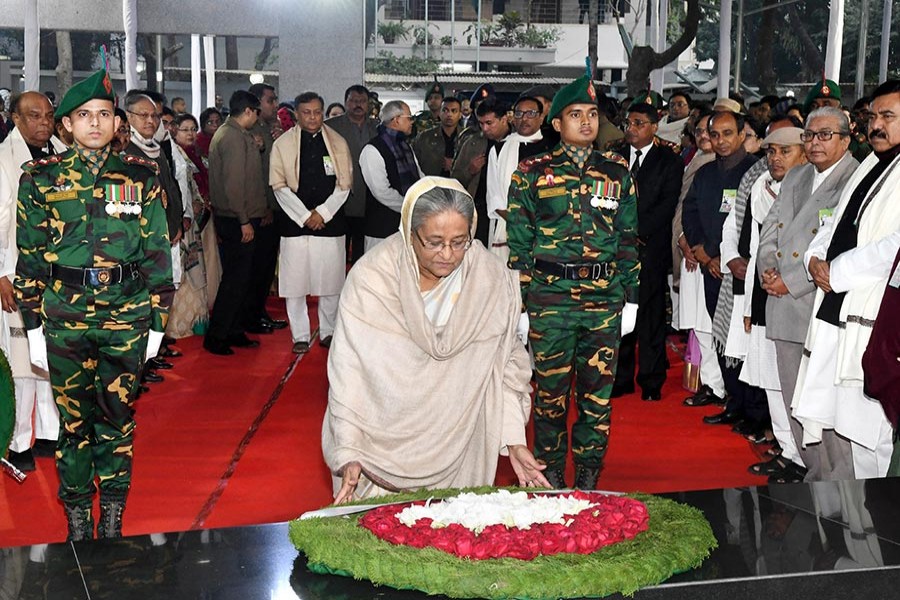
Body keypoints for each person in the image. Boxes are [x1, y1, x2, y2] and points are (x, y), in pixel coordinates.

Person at [14, 69, 174, 540]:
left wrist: (158, 326)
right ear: (65, 125)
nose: (95, 123)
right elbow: (30, 256)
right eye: (83, 115)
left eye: (104, 114)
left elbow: (157, 255)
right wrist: (34, 328)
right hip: (64, 317)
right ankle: (78, 514)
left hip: (126, 318)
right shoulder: (40, 179)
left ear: (116, 123)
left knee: (118, 419)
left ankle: (113, 513)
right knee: (73, 423)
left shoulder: (141, 177)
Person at [323, 177, 550, 503]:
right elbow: (348, 373)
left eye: (460, 242)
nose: (447, 254)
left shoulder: (489, 279)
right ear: (408, 233)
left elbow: (505, 369)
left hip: (461, 450)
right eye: (434, 242)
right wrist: (349, 449)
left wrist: (514, 440)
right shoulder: (373, 280)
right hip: (379, 452)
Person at [506, 71, 639, 490]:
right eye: (575, 114)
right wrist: (523, 304)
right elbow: (519, 245)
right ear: (556, 124)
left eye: (593, 114)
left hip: (603, 301)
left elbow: (628, 238)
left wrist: (631, 299)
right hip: (550, 300)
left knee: (596, 398)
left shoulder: (617, 173)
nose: (586, 122)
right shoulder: (531, 173)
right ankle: (547, 473)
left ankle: (587, 473)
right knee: (550, 397)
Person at [793, 79, 900, 480]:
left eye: (887, 116)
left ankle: (880, 530)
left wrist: (835, 271)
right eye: (873, 116)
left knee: (873, 430)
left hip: (876, 314)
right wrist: (815, 257)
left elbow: (895, 247)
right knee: (851, 429)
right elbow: (835, 222)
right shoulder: (870, 163)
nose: (876, 125)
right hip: (839, 303)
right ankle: (859, 530)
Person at [757, 107, 859, 482]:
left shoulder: (855, 178)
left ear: (846, 139)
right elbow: (770, 228)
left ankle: (839, 490)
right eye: (810, 136)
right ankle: (812, 480)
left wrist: (791, 280)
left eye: (824, 135)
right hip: (782, 304)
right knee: (793, 403)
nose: (814, 143)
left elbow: (843, 245)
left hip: (818, 306)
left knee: (824, 412)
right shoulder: (796, 175)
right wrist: (769, 270)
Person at [0, 92, 68, 473]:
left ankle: (47, 432)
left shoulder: (59, 152)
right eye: (33, 115)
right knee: (21, 361)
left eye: (48, 115)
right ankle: (17, 441)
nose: (43, 122)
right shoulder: (3, 159)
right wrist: (2, 274)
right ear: (14, 118)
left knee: (49, 358)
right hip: (17, 272)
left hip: (57, 275)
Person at [681, 108, 759, 426]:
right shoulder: (705, 173)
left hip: (740, 272)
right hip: (710, 269)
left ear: (742, 135)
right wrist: (702, 252)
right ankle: (732, 401)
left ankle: (750, 410)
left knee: (743, 341)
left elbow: (748, 225)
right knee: (720, 336)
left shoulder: (756, 172)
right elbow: (691, 211)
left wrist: (719, 255)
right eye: (715, 134)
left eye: (728, 133)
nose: (721, 140)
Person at [610, 102, 683, 401]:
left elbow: (667, 205)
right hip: (615, 248)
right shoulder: (613, 157)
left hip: (650, 248)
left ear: (655, 126)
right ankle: (621, 378)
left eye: (639, 123)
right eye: (629, 123)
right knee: (619, 314)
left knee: (651, 315)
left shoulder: (669, 160)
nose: (632, 129)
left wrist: (637, 233)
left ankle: (651, 380)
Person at [270, 92, 351, 354]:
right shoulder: (282, 144)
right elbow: (279, 186)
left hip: (330, 223)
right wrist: (305, 216)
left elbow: (344, 185)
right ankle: (300, 335)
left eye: (317, 111)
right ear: (296, 114)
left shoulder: (337, 142)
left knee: (330, 282)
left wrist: (323, 214)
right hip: (294, 224)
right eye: (307, 112)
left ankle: (328, 331)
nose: (313, 117)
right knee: (295, 283)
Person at [204, 90, 268, 355]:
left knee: (241, 280)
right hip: (235, 217)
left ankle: (234, 329)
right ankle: (217, 336)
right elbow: (233, 185)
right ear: (249, 111)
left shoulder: (238, 134)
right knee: (233, 281)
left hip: (241, 215)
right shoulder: (230, 137)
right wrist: (244, 221)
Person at [485, 95, 554, 261]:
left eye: (530, 113)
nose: (524, 119)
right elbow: (494, 196)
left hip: (548, 230)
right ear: (512, 118)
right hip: (509, 226)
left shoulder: (553, 149)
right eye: (519, 114)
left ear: (541, 117)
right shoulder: (500, 149)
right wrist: (521, 223)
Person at [246, 83, 288, 335]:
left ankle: (259, 312)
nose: (274, 105)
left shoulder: (270, 130)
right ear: (257, 104)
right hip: (262, 209)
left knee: (265, 266)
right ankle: (252, 315)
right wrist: (265, 208)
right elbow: (257, 176)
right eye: (270, 100)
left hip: (273, 206)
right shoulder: (251, 133)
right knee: (258, 267)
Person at [326, 85, 380, 265]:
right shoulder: (331, 127)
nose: (358, 105)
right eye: (353, 101)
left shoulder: (378, 128)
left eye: (362, 101)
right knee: (337, 252)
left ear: (368, 104)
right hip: (340, 198)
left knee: (363, 253)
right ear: (345, 102)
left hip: (370, 198)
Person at [359, 100, 422, 251]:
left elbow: (419, 177)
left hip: (405, 227)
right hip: (381, 230)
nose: (412, 121)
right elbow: (381, 191)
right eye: (409, 117)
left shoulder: (405, 146)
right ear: (396, 120)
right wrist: (410, 207)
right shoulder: (372, 150)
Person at [450, 98, 510, 246]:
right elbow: (454, 180)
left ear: (504, 119)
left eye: (489, 123)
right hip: (478, 210)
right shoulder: (472, 143)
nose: (485, 128)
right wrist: (470, 171)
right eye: (481, 123)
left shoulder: (517, 144)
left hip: (507, 212)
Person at [412, 96, 462, 177]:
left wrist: (455, 166)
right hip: (431, 184)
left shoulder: (467, 137)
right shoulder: (424, 138)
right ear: (439, 113)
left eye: (454, 111)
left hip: (460, 185)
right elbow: (414, 165)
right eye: (445, 110)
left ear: (460, 115)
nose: (449, 114)